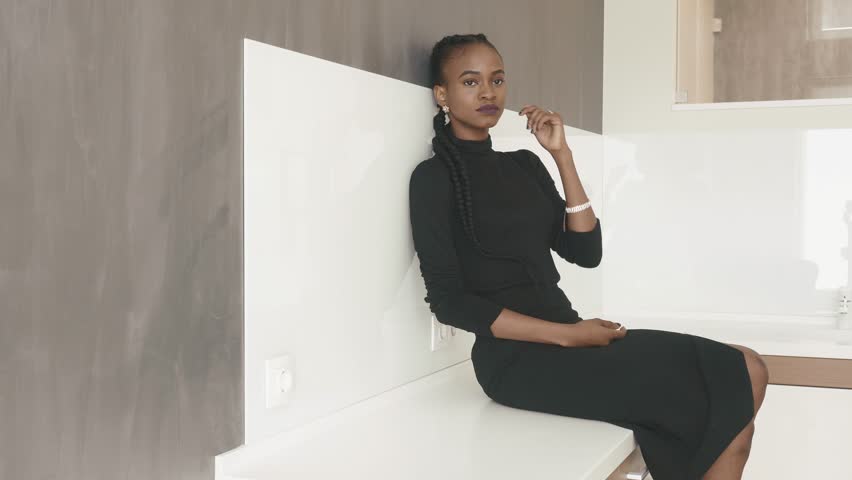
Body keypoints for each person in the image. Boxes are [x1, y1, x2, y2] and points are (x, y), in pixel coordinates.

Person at [407, 33, 769, 480]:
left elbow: (585, 251)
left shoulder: (524, 164)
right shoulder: (432, 179)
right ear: (441, 94)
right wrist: (566, 336)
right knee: (737, 375)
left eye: (497, 80)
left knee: (748, 368)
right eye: (470, 81)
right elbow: (449, 301)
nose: (488, 93)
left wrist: (561, 155)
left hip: (571, 337)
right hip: (516, 364)